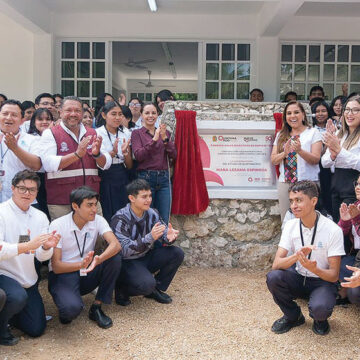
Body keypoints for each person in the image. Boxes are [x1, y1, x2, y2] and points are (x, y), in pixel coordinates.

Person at [266, 181, 344, 336]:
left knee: (320, 309)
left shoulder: (333, 230)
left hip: (322, 281)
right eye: (292, 201)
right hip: (298, 277)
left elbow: (334, 275)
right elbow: (276, 264)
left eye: (299, 200)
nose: (294, 205)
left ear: (313, 201)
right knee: (273, 277)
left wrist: (314, 269)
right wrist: (297, 256)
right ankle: (293, 316)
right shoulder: (290, 225)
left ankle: (319, 319)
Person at [0, 170, 60, 345]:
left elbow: (41, 255)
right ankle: (2, 328)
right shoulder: (2, 212)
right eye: (22, 189)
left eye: (32, 190)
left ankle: (11, 315)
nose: (27, 193)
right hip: (4, 275)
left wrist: (47, 247)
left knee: (36, 328)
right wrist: (26, 246)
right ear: (12, 188)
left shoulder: (40, 217)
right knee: (17, 297)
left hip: (28, 279)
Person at [48, 186, 121, 328]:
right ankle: (67, 307)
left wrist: (99, 259)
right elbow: (56, 267)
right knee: (71, 311)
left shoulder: (98, 220)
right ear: (75, 206)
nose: (94, 209)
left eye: (95, 204)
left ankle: (96, 307)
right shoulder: (58, 224)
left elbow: (116, 245)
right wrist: (80, 265)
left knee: (114, 258)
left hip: (87, 270)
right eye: (89, 205)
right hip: (64, 274)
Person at [111, 179, 184, 306]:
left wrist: (169, 237)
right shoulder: (120, 218)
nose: (149, 200)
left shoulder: (152, 213)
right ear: (132, 198)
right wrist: (149, 238)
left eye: (150, 196)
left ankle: (154, 289)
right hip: (127, 262)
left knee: (177, 253)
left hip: (145, 255)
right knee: (146, 284)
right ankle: (122, 289)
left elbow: (162, 232)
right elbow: (123, 250)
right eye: (144, 197)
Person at [38, 96, 111, 220]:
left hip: (90, 198)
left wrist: (97, 154)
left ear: (82, 113)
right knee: (64, 237)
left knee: (97, 237)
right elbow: (48, 164)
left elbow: (106, 163)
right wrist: (76, 155)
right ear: (60, 112)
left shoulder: (93, 133)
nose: (73, 114)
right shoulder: (50, 133)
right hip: (62, 200)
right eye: (68, 110)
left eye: (77, 111)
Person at [271, 100, 322, 220]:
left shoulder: (313, 133)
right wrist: (285, 153)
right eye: (289, 113)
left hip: (308, 183)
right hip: (286, 183)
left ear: (303, 115)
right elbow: (274, 160)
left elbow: (315, 159)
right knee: (287, 221)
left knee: (308, 220)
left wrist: (299, 151)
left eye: (296, 112)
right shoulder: (281, 135)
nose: (292, 116)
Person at [131, 103, 177, 224]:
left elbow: (173, 155)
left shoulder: (164, 132)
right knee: (146, 216)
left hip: (164, 178)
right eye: (147, 113)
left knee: (164, 216)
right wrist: (154, 140)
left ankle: (161, 243)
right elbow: (139, 156)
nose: (150, 116)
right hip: (146, 178)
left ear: (158, 115)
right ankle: (146, 243)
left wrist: (165, 139)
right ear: (141, 115)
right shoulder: (137, 133)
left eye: (153, 113)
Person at [322, 95, 360, 222]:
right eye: (347, 109)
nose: (350, 114)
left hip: (355, 187)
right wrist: (333, 155)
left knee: (351, 230)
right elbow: (324, 162)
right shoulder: (340, 134)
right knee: (338, 228)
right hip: (336, 186)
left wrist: (339, 151)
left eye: (355, 110)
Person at [95, 101, 132, 223]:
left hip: (121, 173)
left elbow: (129, 165)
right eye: (113, 114)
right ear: (104, 115)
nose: (117, 118)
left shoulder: (125, 132)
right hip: (104, 174)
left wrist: (125, 152)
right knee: (107, 210)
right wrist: (112, 152)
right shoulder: (97, 133)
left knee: (123, 210)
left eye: (120, 114)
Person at [0, 100, 41, 203]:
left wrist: (15, 148)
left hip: (23, 200)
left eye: (14, 115)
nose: (8, 118)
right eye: (5, 114)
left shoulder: (32, 140)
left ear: (22, 120)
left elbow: (36, 165)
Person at [337, 175, 360, 305]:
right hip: (356, 256)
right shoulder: (355, 205)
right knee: (339, 263)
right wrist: (344, 221)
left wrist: (356, 219)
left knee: (355, 293)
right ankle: (346, 291)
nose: (357, 187)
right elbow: (339, 234)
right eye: (356, 184)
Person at [311, 101, 333, 215]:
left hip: (333, 167)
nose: (320, 114)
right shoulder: (310, 130)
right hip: (317, 166)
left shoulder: (336, 127)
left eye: (323, 111)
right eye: (317, 111)